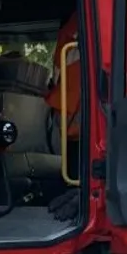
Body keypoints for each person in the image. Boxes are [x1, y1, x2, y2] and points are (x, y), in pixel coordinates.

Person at [45, 13, 82, 221]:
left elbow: (58, 73)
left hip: (73, 112)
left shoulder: (69, 33)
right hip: (80, 113)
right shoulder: (84, 24)